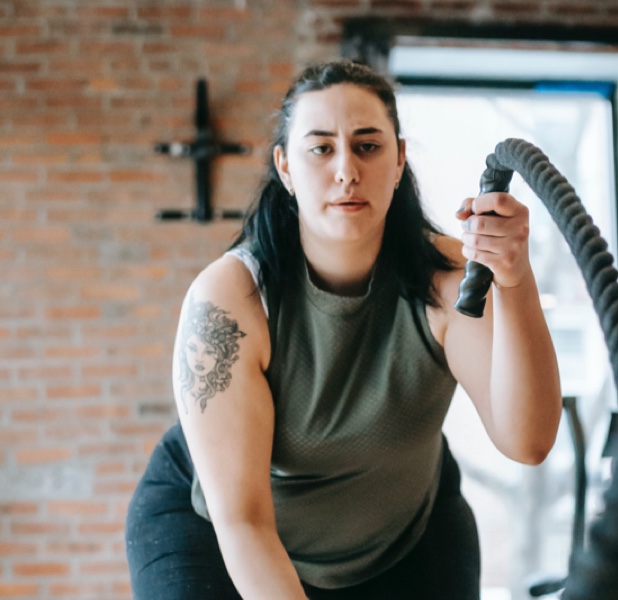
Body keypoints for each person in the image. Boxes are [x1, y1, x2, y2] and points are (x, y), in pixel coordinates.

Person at [125, 59, 562, 600]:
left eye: (367, 145)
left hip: (404, 532)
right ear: (285, 167)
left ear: (400, 159)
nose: (346, 171)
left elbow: (528, 440)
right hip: (221, 529)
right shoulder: (231, 300)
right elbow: (245, 521)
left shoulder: (450, 280)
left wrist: (515, 281)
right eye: (321, 148)